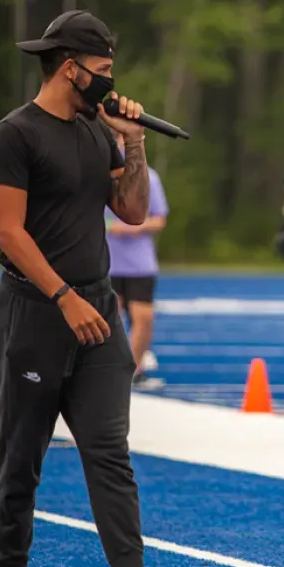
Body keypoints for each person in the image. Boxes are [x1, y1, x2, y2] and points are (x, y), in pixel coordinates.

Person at [0, 10, 191, 567]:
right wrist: (63, 296)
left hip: (97, 312)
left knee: (109, 451)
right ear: (69, 69)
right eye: (100, 70)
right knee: (21, 458)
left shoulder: (99, 132)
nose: (108, 82)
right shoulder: (15, 135)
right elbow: (9, 234)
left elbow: (132, 210)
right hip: (34, 314)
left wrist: (134, 142)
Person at [105, 131, 168, 391]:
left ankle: (133, 367)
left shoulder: (149, 178)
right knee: (110, 319)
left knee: (144, 317)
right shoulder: (100, 177)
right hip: (107, 260)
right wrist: (111, 226)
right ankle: (107, 368)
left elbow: (159, 217)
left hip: (139, 262)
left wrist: (135, 227)